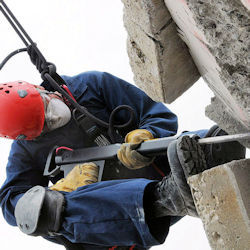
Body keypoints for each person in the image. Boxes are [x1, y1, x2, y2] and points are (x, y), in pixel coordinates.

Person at [0, 71, 245, 250]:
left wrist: (147, 134)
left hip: (165, 171)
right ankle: (164, 199)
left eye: (47, 107)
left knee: (204, 142)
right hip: (117, 223)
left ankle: (212, 160)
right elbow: (10, 203)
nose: (55, 116)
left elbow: (156, 114)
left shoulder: (90, 86)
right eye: (46, 125)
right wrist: (53, 193)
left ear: (40, 88)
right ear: (28, 137)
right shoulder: (25, 151)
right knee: (45, 214)